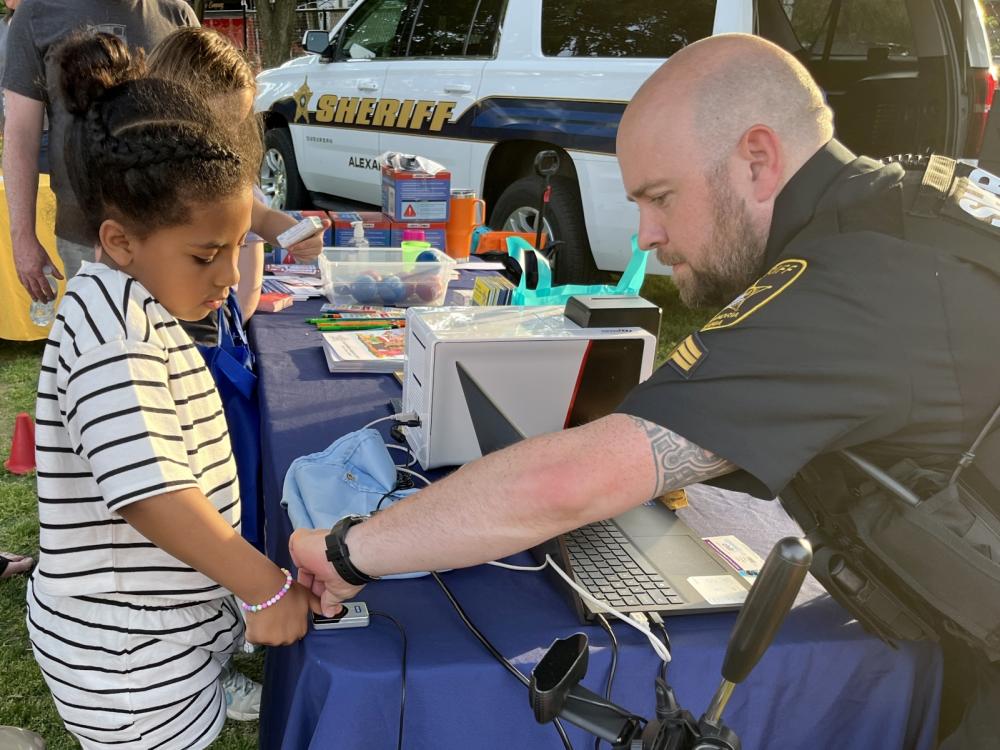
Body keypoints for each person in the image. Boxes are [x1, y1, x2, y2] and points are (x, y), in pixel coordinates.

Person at [288, 33, 1000, 749]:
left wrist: (351, 550)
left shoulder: (854, 287)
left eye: (660, 198)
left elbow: (570, 481)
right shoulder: (899, 225)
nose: (646, 234)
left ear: (758, 159)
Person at [27, 32, 317, 749]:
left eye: (236, 247)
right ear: (120, 241)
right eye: (205, 254)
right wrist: (265, 584)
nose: (225, 278)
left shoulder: (141, 303)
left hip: (161, 638)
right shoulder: (113, 331)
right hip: (126, 659)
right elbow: (151, 492)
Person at [1, 0, 198, 304]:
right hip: (82, 236)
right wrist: (22, 237)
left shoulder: (177, 14)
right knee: (100, 344)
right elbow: (20, 135)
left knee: (169, 346)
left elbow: (204, 123)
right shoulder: (37, 12)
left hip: (170, 230)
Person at [146, 26, 328, 329]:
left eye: (237, 123)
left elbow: (262, 217)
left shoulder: (228, 169)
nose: (227, 136)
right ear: (168, 107)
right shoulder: (150, 180)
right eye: (215, 124)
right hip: (181, 326)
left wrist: (297, 235)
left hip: (227, 324)